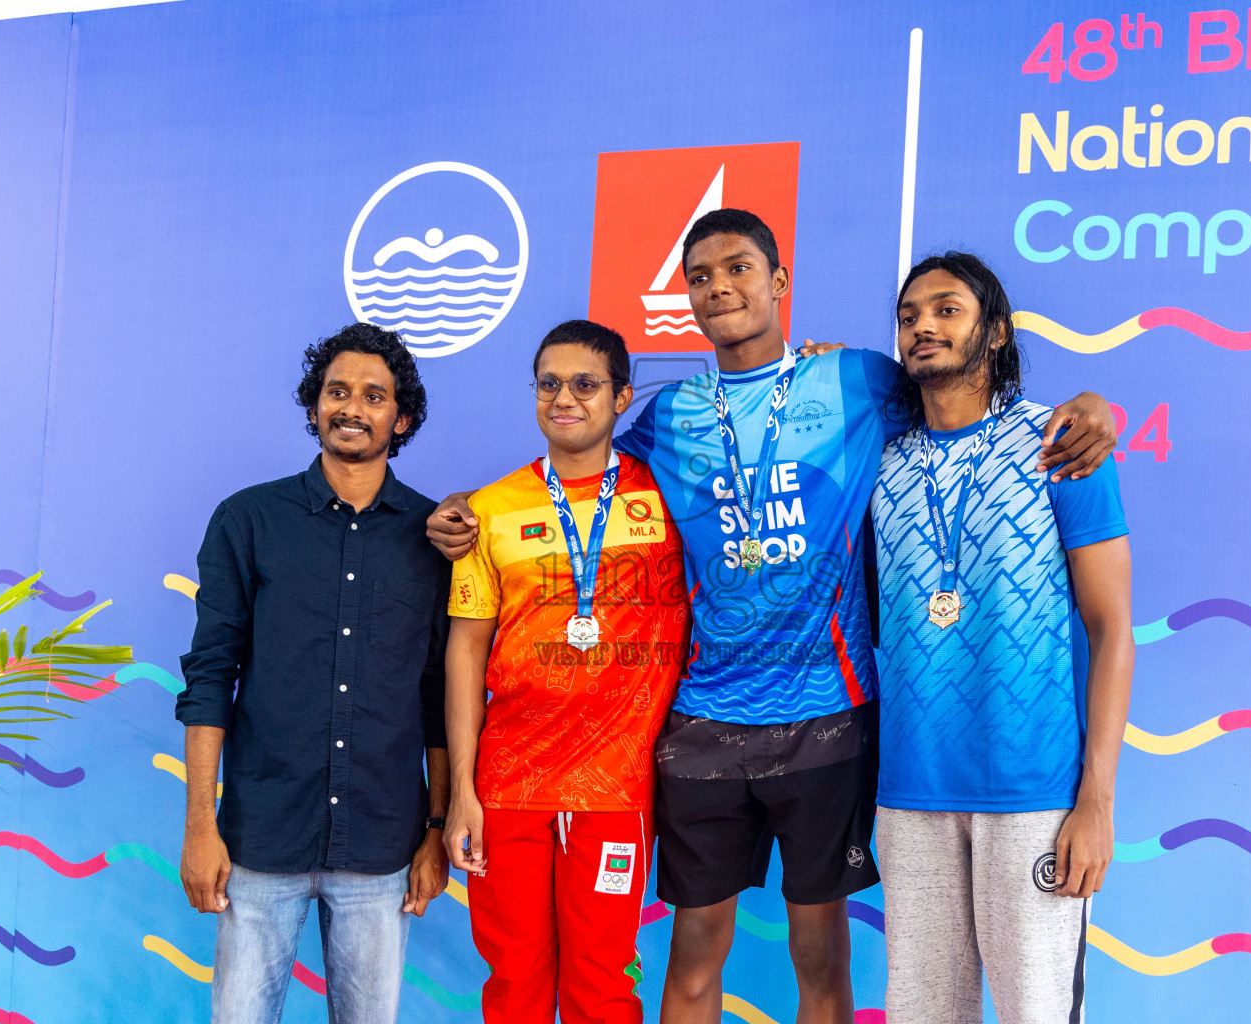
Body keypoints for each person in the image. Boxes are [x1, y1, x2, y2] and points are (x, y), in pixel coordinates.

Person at [427, 210, 1118, 1024]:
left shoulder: (859, 380)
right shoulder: (668, 414)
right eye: (701, 276)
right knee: (690, 963)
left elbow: (967, 396)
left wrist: (1093, 404)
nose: (720, 287)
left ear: (779, 282)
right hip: (704, 723)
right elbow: (582, 472)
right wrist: (461, 512)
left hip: (828, 719)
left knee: (820, 957)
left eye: (740, 268)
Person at [869, 253, 1134, 1024]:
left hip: (1034, 793)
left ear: (995, 332)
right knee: (922, 1012)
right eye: (910, 314)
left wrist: (1097, 803)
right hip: (910, 793)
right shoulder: (879, 462)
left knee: (1038, 1013)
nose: (924, 325)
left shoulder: (1064, 444)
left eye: (947, 309)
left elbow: (1112, 627)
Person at [176, 323, 452, 1024]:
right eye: (336, 392)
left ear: (402, 417)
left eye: (373, 395)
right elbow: (211, 677)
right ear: (313, 407)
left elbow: (437, 699)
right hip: (261, 839)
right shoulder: (248, 520)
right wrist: (200, 827)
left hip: (383, 843)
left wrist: (436, 828)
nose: (351, 408)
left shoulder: (435, 538)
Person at [443, 319, 690, 1024]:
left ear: (621, 397)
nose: (565, 398)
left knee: (602, 987)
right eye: (549, 383)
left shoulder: (672, 504)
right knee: (514, 985)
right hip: (507, 790)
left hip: (615, 789)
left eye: (585, 384)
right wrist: (461, 790)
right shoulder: (489, 511)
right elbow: (465, 652)